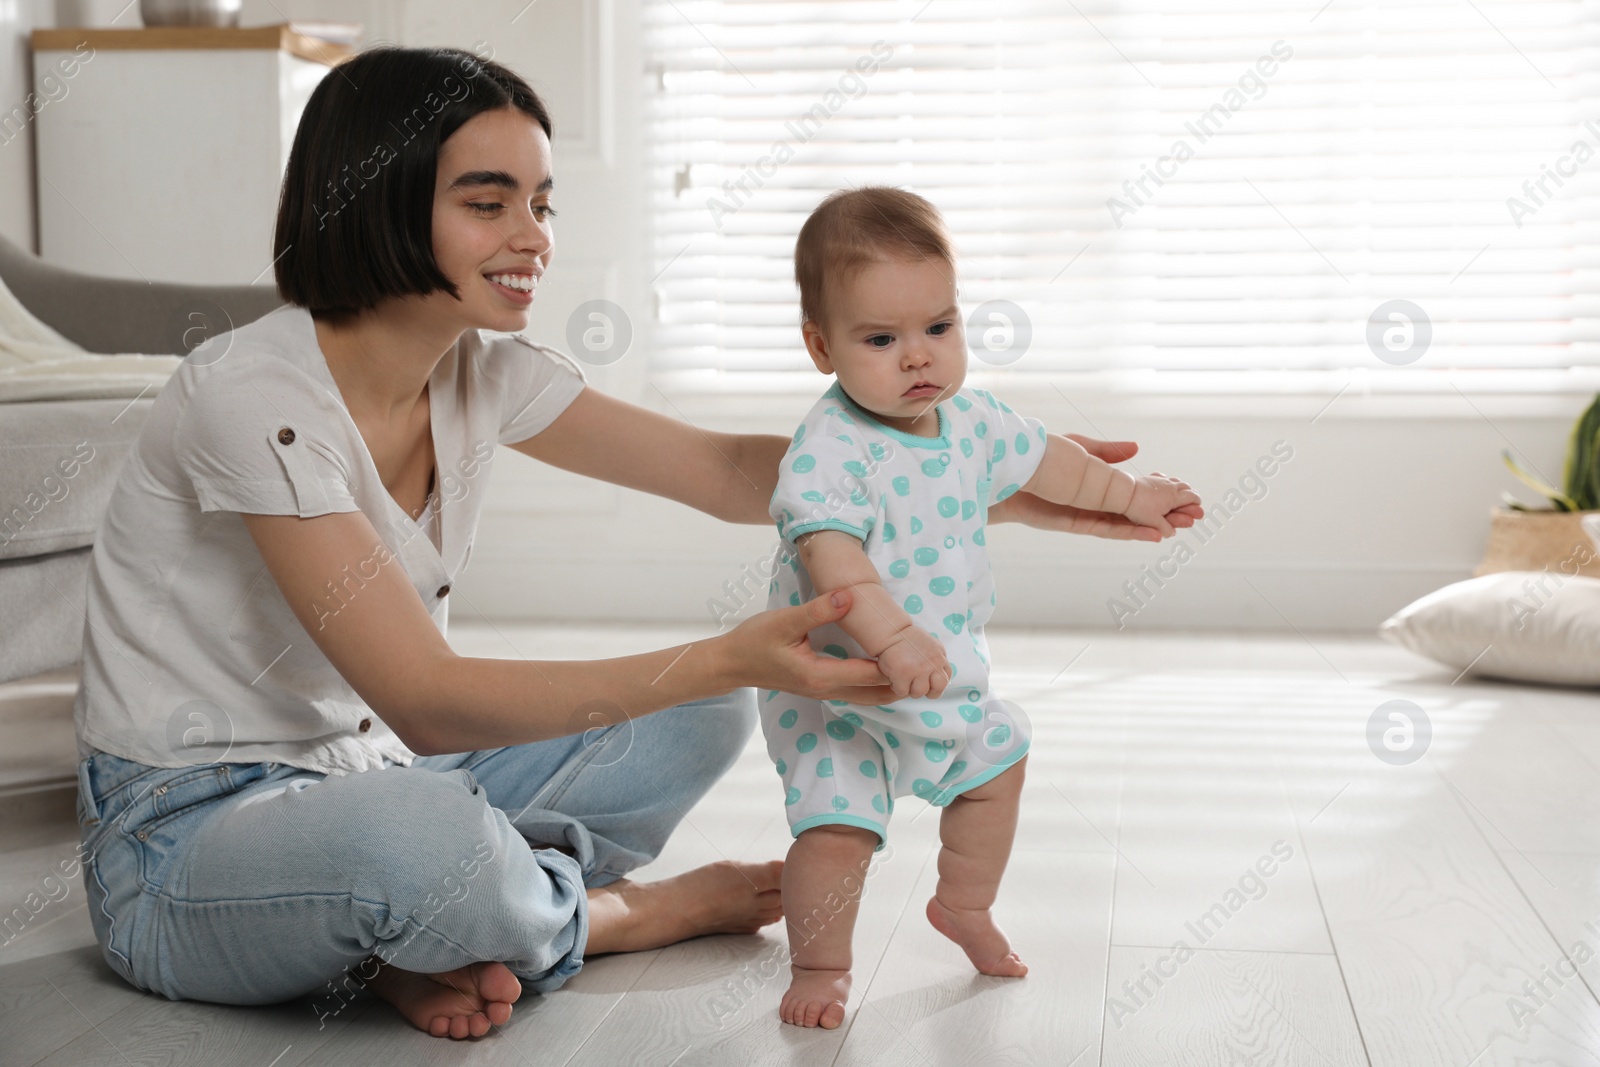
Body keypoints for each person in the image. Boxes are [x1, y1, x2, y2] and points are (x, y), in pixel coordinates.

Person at [70, 47, 1193, 1041]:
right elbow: (426, 697)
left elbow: (723, 473)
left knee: (694, 711)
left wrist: (978, 480)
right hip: (183, 837)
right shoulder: (254, 399)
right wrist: (733, 657)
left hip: (377, 771)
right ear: (376, 200)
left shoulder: (478, 369)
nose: (534, 238)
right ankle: (604, 916)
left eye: (543, 203)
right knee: (424, 830)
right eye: (489, 200)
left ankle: (436, 930)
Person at [761, 187, 1203, 1029]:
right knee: (838, 829)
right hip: (837, 687)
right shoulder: (828, 449)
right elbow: (832, 556)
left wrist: (1134, 495)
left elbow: (1059, 467)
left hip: (943, 678)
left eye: (940, 326)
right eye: (881, 339)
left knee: (999, 764)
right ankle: (820, 961)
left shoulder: (971, 421)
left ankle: (962, 903)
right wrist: (891, 636)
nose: (918, 357)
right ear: (821, 346)